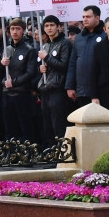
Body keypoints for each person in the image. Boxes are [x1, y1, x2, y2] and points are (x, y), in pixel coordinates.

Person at [0, 18, 37, 142]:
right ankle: (12, 152)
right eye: (12, 29)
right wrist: (1, 64)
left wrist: (14, 82)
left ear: (23, 30)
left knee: (25, 125)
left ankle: (28, 151)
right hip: (7, 93)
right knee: (9, 126)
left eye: (18, 29)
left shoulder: (29, 49)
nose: (15, 32)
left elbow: (31, 73)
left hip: (22, 93)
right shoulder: (7, 49)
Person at [36, 15, 72, 144]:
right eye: (46, 26)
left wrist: (47, 58)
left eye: (52, 25)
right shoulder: (45, 46)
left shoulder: (65, 43)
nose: (49, 28)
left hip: (58, 89)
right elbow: (46, 67)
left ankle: (62, 154)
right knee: (48, 125)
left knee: (59, 124)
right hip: (46, 89)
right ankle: (52, 153)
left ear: (59, 27)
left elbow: (64, 66)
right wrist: (41, 69)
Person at [66, 5, 103, 109]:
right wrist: (70, 86)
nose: (85, 19)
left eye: (88, 16)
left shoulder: (105, 36)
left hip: (100, 90)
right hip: (81, 91)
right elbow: (73, 63)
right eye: (83, 17)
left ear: (97, 18)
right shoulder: (79, 38)